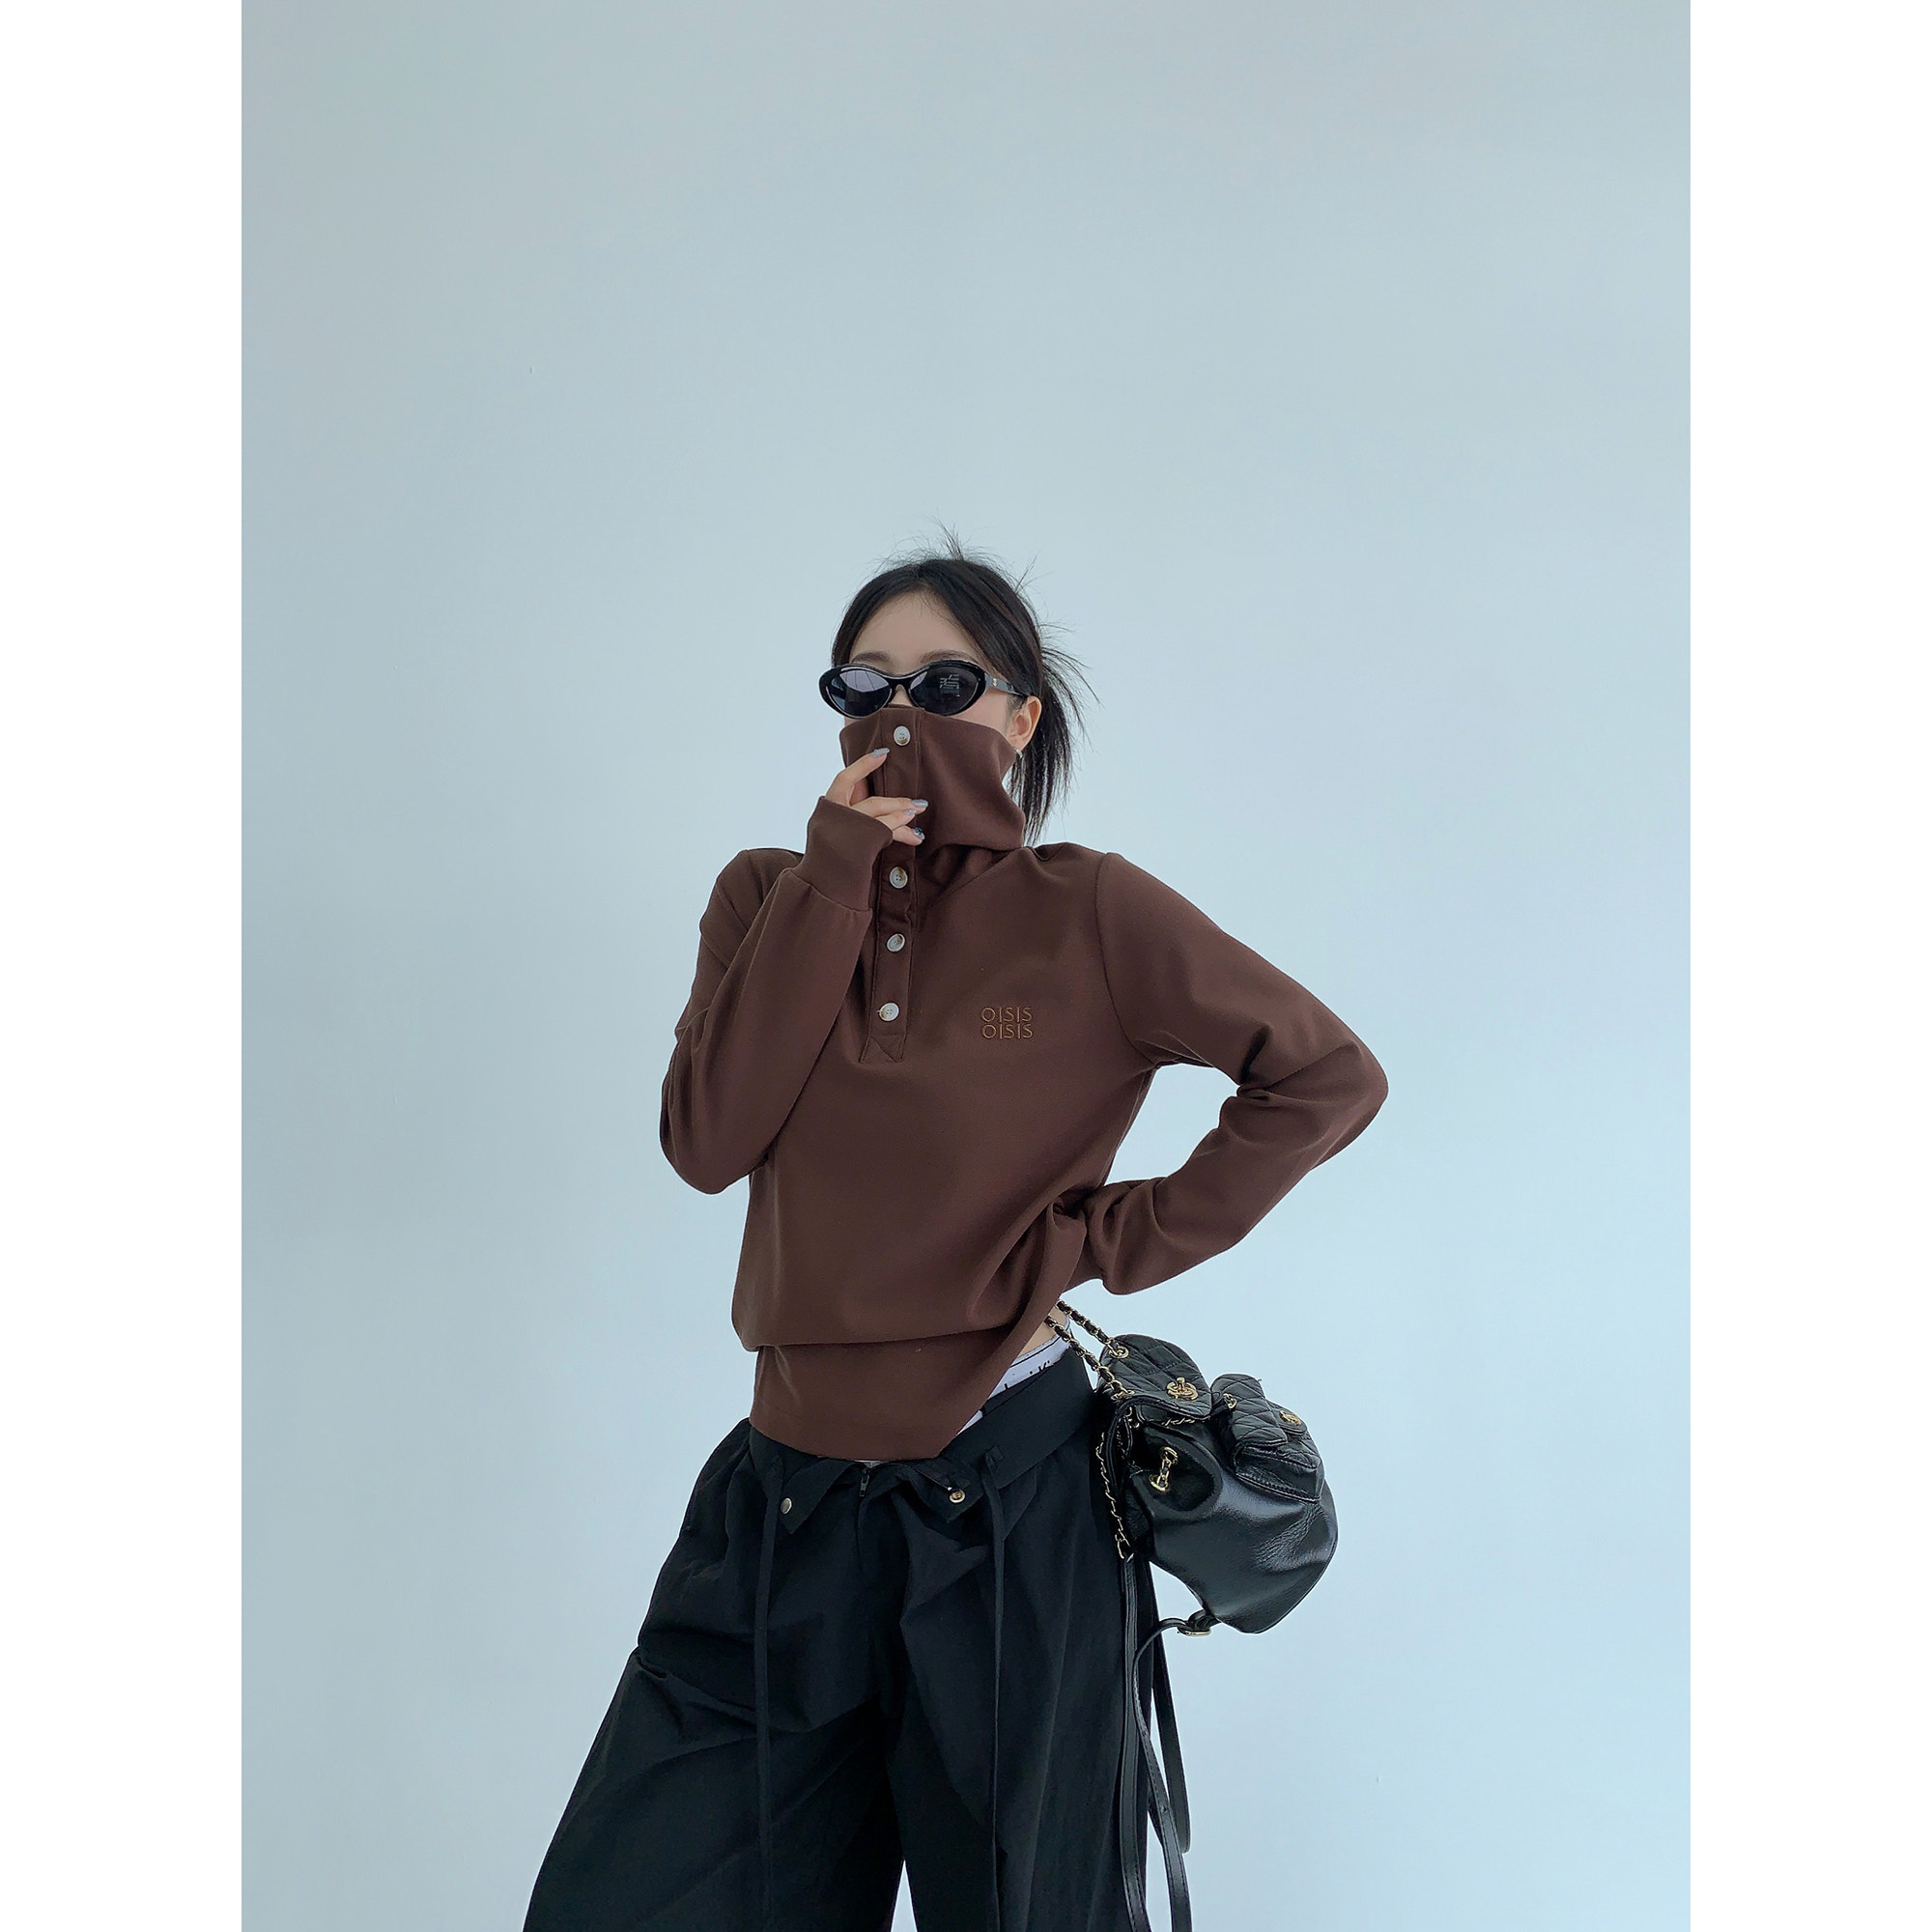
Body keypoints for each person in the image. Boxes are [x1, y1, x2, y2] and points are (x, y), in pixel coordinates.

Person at [522, 544, 1388, 1931]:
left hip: (1010, 1513)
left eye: (943, 684)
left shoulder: (1088, 910)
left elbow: (1324, 1076)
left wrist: (1106, 1239)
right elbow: (706, 1141)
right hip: (781, 1512)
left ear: (1022, 717)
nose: (899, 715)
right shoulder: (766, 896)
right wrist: (835, 878)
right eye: (863, 686)